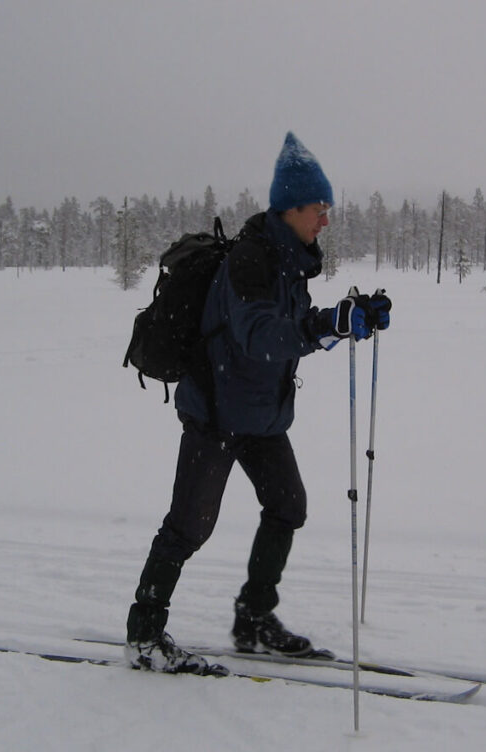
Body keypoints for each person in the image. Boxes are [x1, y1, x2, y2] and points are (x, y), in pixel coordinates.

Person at [124, 132, 393, 675]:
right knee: (188, 526)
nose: (325, 221)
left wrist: (345, 318)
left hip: (261, 416)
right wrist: (325, 328)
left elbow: (293, 323)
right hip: (217, 415)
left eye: (327, 211)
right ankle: (145, 635)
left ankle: (253, 618)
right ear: (291, 209)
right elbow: (260, 334)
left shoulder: (289, 260)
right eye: (319, 210)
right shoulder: (249, 260)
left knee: (288, 505)